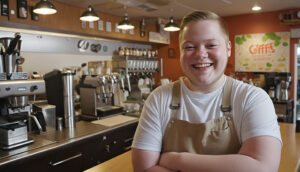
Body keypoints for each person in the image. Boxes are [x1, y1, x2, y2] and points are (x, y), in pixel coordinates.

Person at [131, 10, 282, 172]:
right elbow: (143, 168)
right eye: (189, 47)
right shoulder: (159, 98)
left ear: (228, 49)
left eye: (211, 45)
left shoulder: (252, 98)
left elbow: (263, 168)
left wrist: (179, 160)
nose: (201, 54)